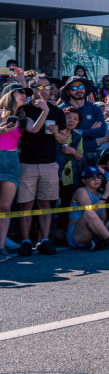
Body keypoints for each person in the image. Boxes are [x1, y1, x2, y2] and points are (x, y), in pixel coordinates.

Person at [16, 76, 68, 256]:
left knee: (45, 203)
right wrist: (44, 111)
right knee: (26, 204)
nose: (45, 90)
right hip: (27, 163)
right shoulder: (24, 110)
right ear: (32, 90)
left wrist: (57, 134)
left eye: (47, 87)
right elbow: (33, 130)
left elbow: (64, 138)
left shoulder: (57, 111)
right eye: (40, 87)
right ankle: (25, 241)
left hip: (49, 163)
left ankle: (44, 240)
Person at [66, 166, 109, 251]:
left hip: (95, 233)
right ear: (84, 180)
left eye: (98, 177)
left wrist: (105, 195)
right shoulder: (81, 191)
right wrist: (106, 194)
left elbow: (103, 219)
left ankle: (106, 241)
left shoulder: (100, 195)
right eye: (92, 177)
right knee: (89, 212)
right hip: (77, 235)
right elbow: (91, 211)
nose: (96, 180)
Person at [0, 85, 30, 261]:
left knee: (5, 207)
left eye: (25, 94)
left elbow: (35, 129)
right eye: (20, 92)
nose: (24, 96)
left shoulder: (22, 117)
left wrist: (45, 110)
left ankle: (1, 246)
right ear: (10, 94)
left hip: (12, 160)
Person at [59, 77, 107, 163]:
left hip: (90, 153)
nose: (79, 90)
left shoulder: (95, 108)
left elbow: (102, 131)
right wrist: (90, 131)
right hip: (67, 154)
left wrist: (77, 131)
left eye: (81, 87)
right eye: (74, 88)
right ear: (68, 92)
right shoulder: (61, 109)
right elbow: (61, 133)